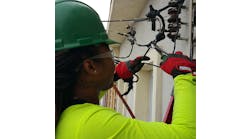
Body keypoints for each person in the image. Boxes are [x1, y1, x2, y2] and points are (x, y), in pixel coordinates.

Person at [55, 0, 196, 139]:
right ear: (91, 67)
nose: (113, 59)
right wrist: (183, 75)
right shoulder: (91, 124)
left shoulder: (65, 111)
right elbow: (189, 135)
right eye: (109, 52)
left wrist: (116, 75)